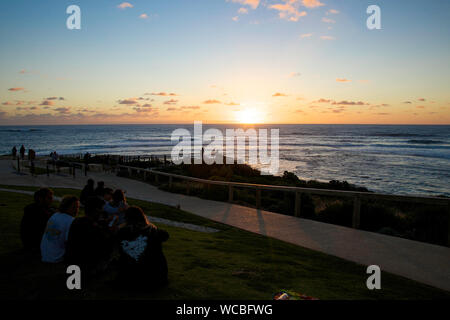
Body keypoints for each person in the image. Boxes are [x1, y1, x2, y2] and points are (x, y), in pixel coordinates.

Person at [116, 206, 169, 289]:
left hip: (133, 275)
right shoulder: (154, 231)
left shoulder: (123, 232)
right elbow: (166, 235)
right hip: (154, 276)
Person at [65, 197, 114, 275]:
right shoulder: (93, 228)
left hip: (73, 260)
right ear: (95, 210)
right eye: (101, 209)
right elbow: (104, 246)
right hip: (86, 266)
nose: (102, 212)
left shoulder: (77, 221)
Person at [40, 196, 79, 263]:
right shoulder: (71, 221)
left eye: (77, 207)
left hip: (45, 254)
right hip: (57, 257)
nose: (76, 210)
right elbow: (70, 243)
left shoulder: (55, 215)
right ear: (66, 207)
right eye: (74, 207)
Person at [20, 188, 56, 252]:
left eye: (51, 198)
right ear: (40, 199)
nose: (52, 200)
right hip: (35, 244)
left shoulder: (48, 209)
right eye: (49, 198)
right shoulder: (33, 211)